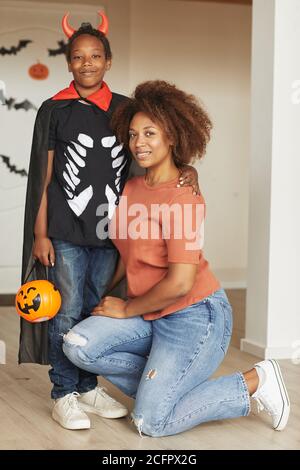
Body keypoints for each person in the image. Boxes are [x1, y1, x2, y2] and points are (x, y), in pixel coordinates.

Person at [62, 80, 290, 437]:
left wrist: (124, 310)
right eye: (134, 134)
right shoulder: (133, 187)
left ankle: (254, 381)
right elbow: (130, 249)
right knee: (78, 345)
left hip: (195, 316)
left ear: (172, 135)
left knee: (151, 422)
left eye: (150, 133)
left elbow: (181, 283)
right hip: (147, 310)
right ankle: (165, 388)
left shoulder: (183, 197)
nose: (139, 143)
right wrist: (109, 298)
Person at [19, 15, 199, 431]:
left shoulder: (125, 109)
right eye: (78, 57)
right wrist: (40, 232)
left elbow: (154, 145)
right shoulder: (54, 109)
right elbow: (42, 179)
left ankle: (86, 387)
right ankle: (63, 392)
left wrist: (188, 169)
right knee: (64, 312)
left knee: (96, 309)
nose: (87, 63)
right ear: (68, 63)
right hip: (65, 230)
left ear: (108, 61)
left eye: (95, 56)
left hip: (112, 232)